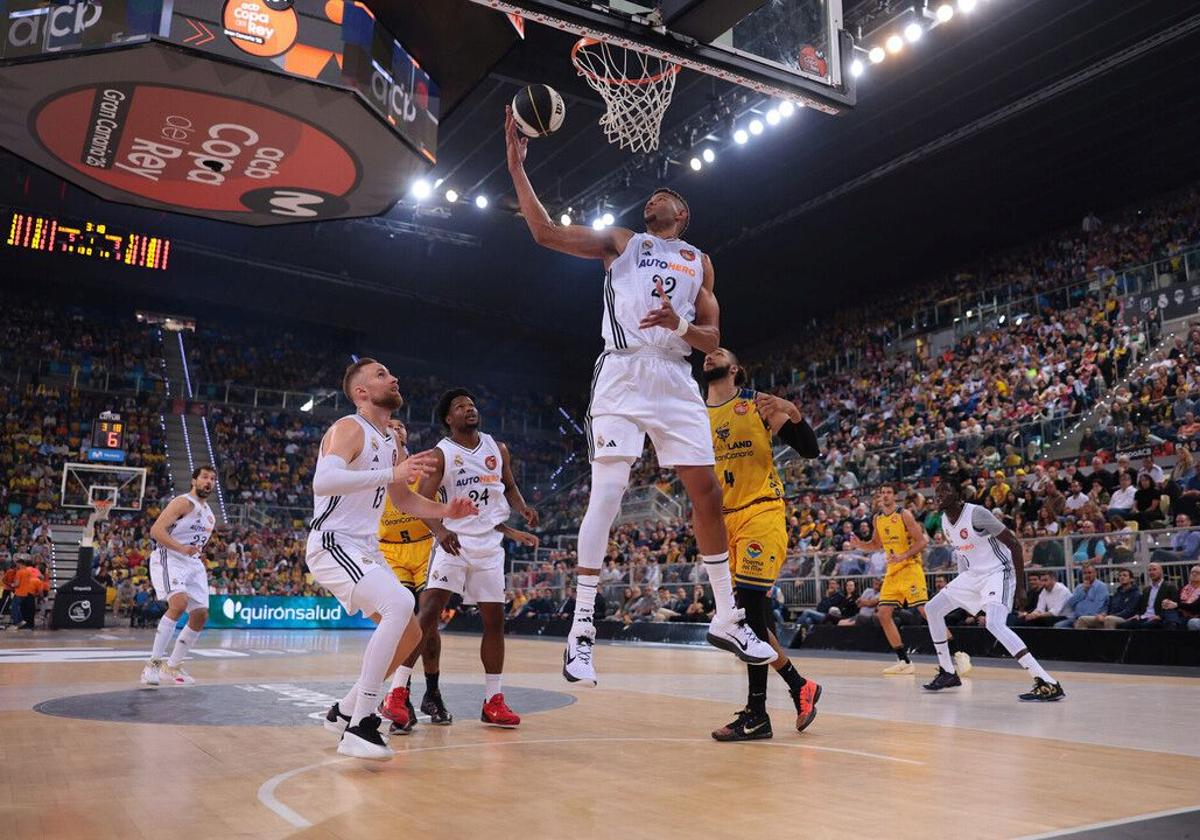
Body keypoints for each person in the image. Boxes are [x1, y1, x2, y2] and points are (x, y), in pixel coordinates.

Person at [506, 109, 773, 686]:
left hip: (675, 377)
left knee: (705, 492)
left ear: (683, 214)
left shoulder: (699, 260)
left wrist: (677, 324)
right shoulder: (622, 242)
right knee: (608, 488)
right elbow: (544, 232)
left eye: (666, 195)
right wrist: (516, 167)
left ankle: (727, 617)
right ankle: (582, 631)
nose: (655, 198)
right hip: (623, 372)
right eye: (650, 195)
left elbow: (713, 339)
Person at [310, 360, 475, 760]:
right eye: (382, 375)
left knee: (411, 634)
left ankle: (344, 709)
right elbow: (324, 481)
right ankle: (361, 723)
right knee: (400, 603)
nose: (394, 378)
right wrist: (391, 473)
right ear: (361, 392)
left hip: (365, 547)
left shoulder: (389, 440)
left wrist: (444, 512)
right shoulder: (349, 428)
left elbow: (402, 499)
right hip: (334, 542)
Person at [702, 348, 821, 741]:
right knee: (751, 619)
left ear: (735, 369)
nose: (709, 356)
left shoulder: (757, 404)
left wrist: (794, 411)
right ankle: (798, 684)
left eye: (718, 352)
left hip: (761, 511)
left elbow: (809, 448)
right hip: (726, 522)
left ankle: (757, 714)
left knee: (749, 610)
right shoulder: (696, 414)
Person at [402, 389, 539, 729]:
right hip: (454, 543)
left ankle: (493, 700)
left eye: (472, 405)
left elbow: (508, 486)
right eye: (460, 407)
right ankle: (396, 691)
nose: (469, 409)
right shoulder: (442, 453)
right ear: (449, 419)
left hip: (490, 546)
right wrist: (439, 532)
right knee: (428, 614)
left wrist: (521, 507)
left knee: (495, 622)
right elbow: (421, 500)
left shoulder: (498, 448)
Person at [923, 477, 1065, 701]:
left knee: (994, 624)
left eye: (945, 491)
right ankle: (948, 672)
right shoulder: (944, 521)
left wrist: (1020, 586)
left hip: (999, 571)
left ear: (958, 496)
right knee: (932, 609)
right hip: (972, 575)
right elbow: (962, 554)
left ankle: (1046, 681)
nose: (938, 495)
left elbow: (1014, 544)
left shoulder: (977, 514)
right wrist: (963, 592)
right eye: (936, 492)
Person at [848, 485, 972, 677]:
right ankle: (904, 661)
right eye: (882, 493)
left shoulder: (904, 514)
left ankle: (959, 653)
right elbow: (875, 545)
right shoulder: (877, 518)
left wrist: (903, 555)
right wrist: (859, 545)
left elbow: (922, 542)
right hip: (893, 572)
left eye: (889, 492)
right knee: (883, 614)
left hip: (911, 569)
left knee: (925, 611)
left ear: (894, 496)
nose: (885, 495)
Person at [376, 419, 443, 732]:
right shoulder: (372, 465)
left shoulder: (422, 465)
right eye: (389, 424)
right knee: (404, 622)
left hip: (425, 545)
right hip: (389, 550)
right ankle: (400, 696)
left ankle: (431, 691)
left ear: (406, 434)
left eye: (400, 424)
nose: (395, 427)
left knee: (426, 620)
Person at [141, 466, 218, 687]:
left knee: (201, 614)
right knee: (179, 602)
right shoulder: (183, 502)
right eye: (204, 477)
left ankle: (172, 667)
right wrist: (181, 548)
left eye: (212, 479)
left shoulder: (210, 515)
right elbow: (156, 531)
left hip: (192, 563)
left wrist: (191, 553)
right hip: (170, 556)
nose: (209, 482)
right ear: (194, 480)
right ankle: (152, 666)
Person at [1075, 568, 1141, 628]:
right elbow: (1109, 606)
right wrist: (1103, 614)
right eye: (1120, 576)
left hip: (1125, 618)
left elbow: (1127, 612)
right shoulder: (1117, 593)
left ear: (1131, 579)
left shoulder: (1135, 594)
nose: (1122, 577)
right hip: (1109, 616)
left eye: (1124, 575)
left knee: (1109, 619)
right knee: (1082, 619)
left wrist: (1107, 616)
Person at [1123, 562, 1182, 629]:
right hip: (1144, 617)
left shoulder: (1169, 587)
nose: (1151, 572)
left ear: (1161, 572)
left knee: (1147, 626)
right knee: (1123, 625)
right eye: (1149, 570)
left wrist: (1160, 616)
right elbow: (1141, 607)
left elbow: (1173, 607)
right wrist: (1138, 615)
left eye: (1154, 569)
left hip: (1158, 617)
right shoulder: (1146, 590)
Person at [1056, 563, 1109, 628]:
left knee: (1081, 623)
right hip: (1076, 618)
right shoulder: (1079, 587)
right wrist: (1084, 591)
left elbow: (1097, 608)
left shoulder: (1101, 587)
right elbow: (1071, 604)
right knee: (1058, 626)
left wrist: (1080, 618)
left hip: (1092, 618)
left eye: (1089, 573)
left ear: (1095, 573)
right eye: (1085, 573)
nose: (1087, 575)